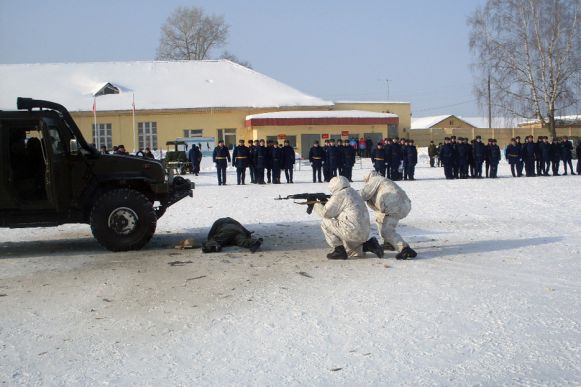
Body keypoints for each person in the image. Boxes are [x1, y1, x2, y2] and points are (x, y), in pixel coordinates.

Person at [313, 176, 383, 259]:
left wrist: (314, 204)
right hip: (363, 231)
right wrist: (326, 202)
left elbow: (325, 213)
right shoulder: (353, 192)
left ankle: (338, 250)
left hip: (351, 230)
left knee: (325, 222)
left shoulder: (340, 195)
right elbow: (341, 207)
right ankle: (369, 245)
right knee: (351, 251)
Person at [360, 171, 416, 259]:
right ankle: (389, 243)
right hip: (404, 204)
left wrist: (349, 194)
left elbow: (363, 195)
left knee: (387, 231)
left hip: (393, 204)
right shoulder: (384, 181)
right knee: (381, 220)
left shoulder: (374, 180)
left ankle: (404, 248)